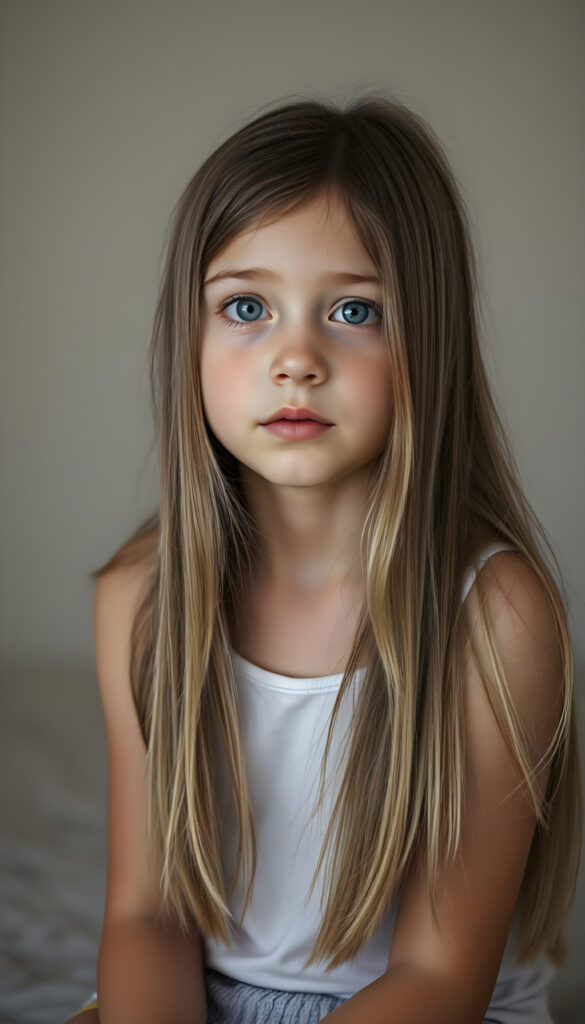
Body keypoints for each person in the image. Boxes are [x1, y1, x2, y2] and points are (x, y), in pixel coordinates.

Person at [64, 95, 581, 1024]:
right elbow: (147, 913)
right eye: (247, 307)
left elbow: (436, 980)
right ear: (191, 335)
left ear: (429, 338)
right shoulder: (139, 596)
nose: (294, 357)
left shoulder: (494, 617)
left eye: (353, 309)